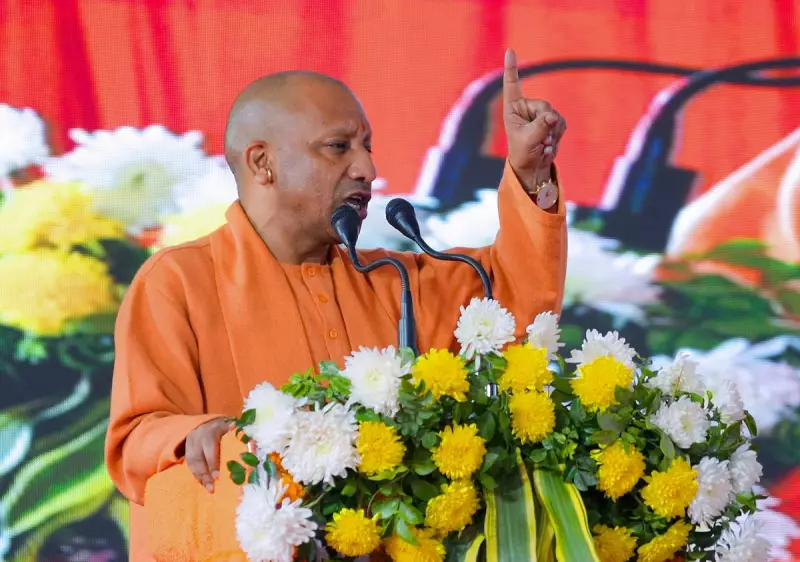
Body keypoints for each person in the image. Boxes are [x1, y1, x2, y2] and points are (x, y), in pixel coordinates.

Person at [105, 48, 568, 561]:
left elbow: (512, 302)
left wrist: (532, 174)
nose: (367, 168)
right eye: (338, 147)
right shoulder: (179, 282)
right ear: (262, 163)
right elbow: (135, 439)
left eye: (366, 147)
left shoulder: (394, 280)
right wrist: (197, 434)